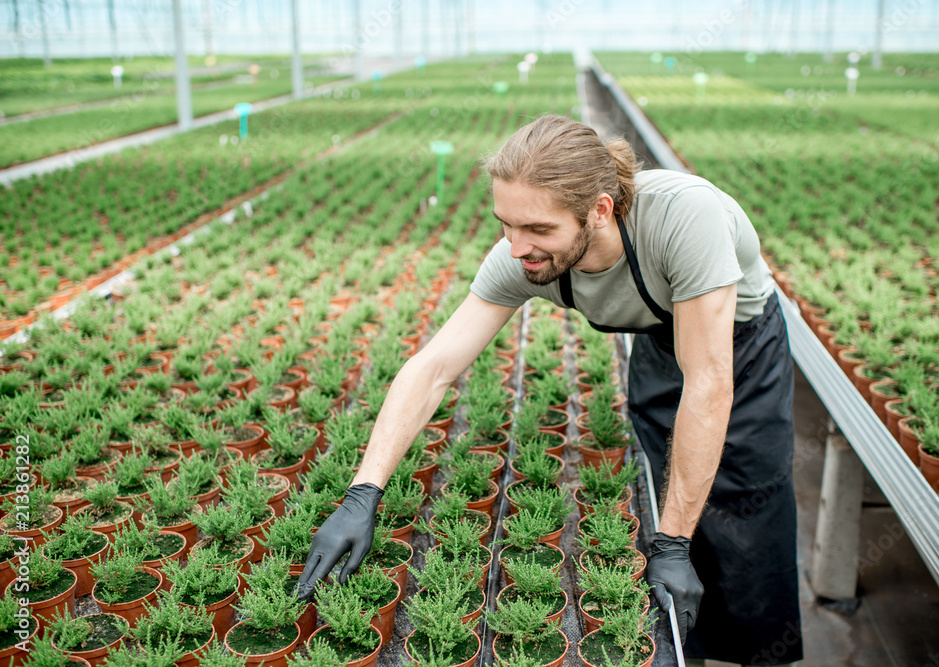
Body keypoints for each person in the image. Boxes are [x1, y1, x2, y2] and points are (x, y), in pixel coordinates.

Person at [296, 115, 802, 665]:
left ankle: (759, 653)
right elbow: (434, 367)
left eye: (537, 229)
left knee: (746, 516)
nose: (517, 247)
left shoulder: (686, 219)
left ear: (600, 210)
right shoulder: (523, 255)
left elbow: (708, 382)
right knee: (665, 496)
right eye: (506, 225)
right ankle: (686, 646)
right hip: (661, 347)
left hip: (740, 350)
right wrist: (362, 492)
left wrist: (673, 545)